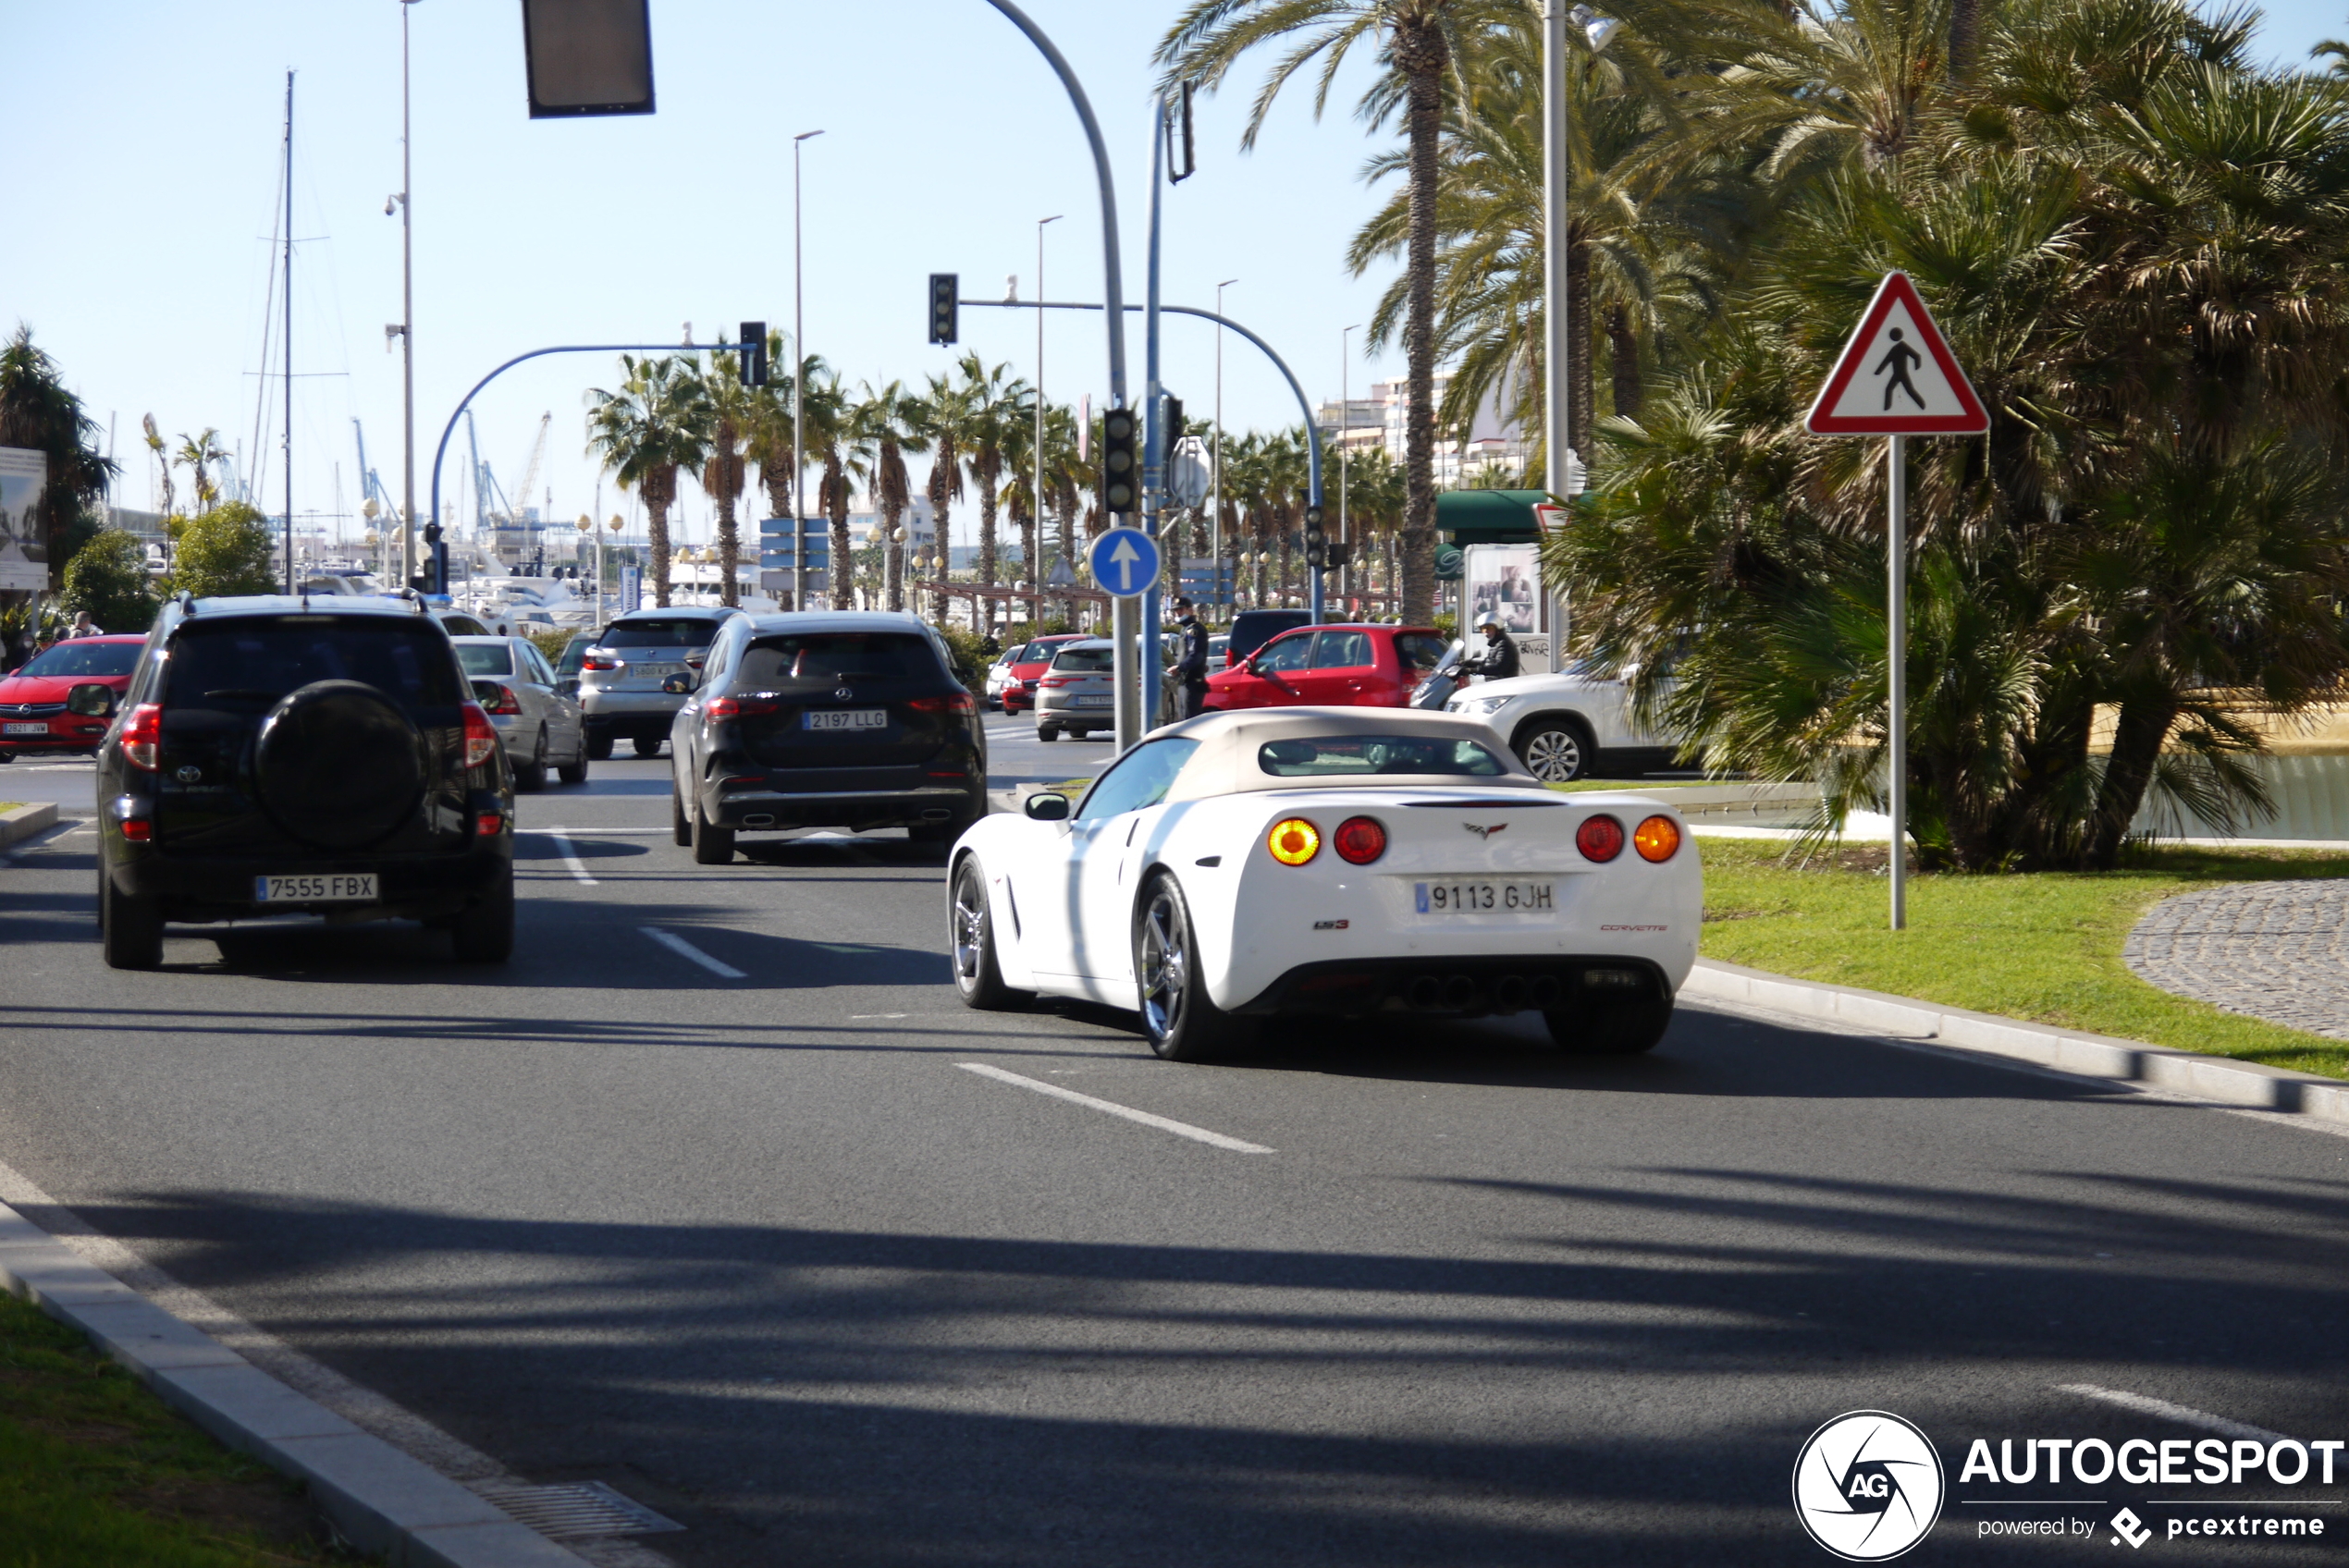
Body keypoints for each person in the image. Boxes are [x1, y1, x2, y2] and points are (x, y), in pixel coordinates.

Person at [1172, 596, 1211, 718]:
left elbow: (1196, 655)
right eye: (1176, 611)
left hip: (1193, 681)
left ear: (1190, 610)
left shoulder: (1194, 630)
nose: (1178, 613)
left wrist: (1179, 668)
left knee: (1190, 720)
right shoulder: (1185, 629)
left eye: (1181, 610)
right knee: (1184, 718)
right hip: (1185, 681)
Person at [1465, 610, 1519, 682]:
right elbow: (1489, 662)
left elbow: (1499, 668)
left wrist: (1472, 670)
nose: (1487, 631)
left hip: (1503, 686)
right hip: (1495, 683)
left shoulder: (1504, 645)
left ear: (1497, 629)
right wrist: (1469, 663)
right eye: (1483, 629)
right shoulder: (1496, 644)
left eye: (1490, 628)